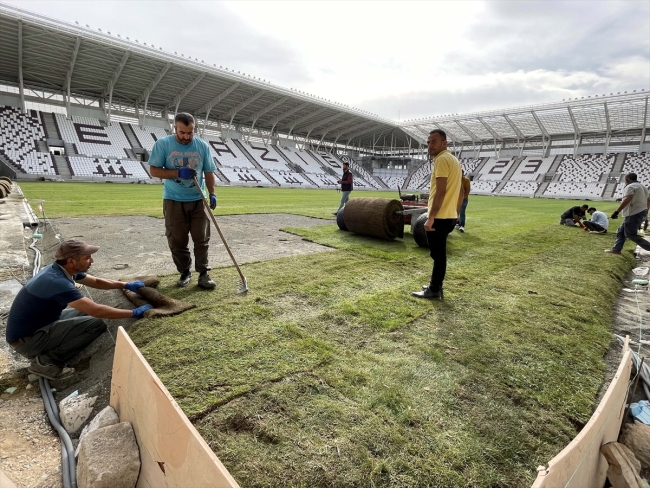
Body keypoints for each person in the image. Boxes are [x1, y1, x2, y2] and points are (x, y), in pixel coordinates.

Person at [5, 240, 152, 381]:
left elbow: (96, 282)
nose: (92, 261)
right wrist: (134, 313)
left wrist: (126, 285)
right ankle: (45, 362)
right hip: (27, 341)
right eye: (87, 258)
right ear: (71, 261)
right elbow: (97, 311)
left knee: (87, 312)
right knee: (96, 324)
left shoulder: (61, 270)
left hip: (40, 325)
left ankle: (47, 352)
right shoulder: (56, 282)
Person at [148, 113, 218, 289]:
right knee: (177, 240)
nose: (187, 136)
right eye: (182, 132)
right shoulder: (163, 144)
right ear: (175, 129)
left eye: (190, 132)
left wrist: (212, 193)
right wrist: (177, 173)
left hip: (198, 199)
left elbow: (209, 171)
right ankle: (184, 272)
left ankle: (203, 273)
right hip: (173, 199)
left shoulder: (202, 146)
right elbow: (154, 171)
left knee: (201, 239)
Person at [411, 129, 463, 300]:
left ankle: (434, 290)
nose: (430, 145)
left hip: (439, 217)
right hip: (449, 216)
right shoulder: (454, 160)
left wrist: (431, 217)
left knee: (438, 255)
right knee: (439, 254)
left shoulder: (441, 160)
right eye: (428, 142)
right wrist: (455, 212)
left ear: (444, 143)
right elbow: (462, 191)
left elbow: (440, 192)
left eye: (434, 141)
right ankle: (435, 286)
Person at [606, 173, 650, 255]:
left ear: (627, 180)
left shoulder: (630, 186)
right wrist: (646, 211)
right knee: (621, 231)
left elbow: (627, 199)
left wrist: (616, 212)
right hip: (641, 211)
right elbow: (648, 200)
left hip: (633, 213)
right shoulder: (643, 187)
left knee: (630, 234)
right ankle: (616, 249)